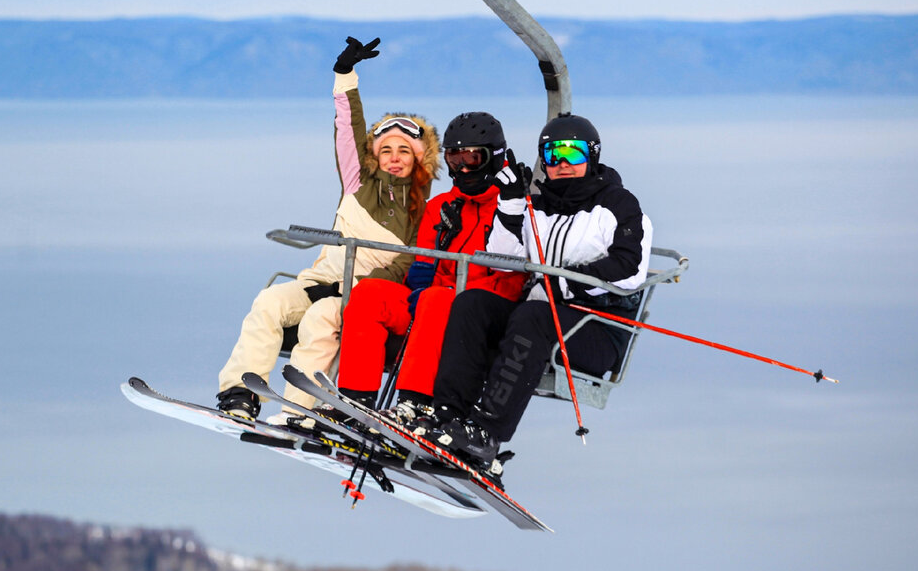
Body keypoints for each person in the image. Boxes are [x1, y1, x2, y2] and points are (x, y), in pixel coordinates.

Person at [414, 113, 652, 479]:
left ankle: (486, 433)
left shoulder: (618, 205)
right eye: (551, 155)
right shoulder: (538, 205)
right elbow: (505, 261)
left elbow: (629, 268)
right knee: (471, 303)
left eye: (572, 154)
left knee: (531, 316)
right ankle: (449, 415)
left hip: (596, 328)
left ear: (592, 156)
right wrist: (510, 205)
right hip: (544, 320)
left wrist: (566, 284)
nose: (561, 164)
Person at [215, 36, 441, 420]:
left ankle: (298, 410)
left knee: (323, 320)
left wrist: (348, 287)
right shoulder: (357, 183)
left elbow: (407, 265)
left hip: (360, 294)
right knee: (269, 302)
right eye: (386, 149)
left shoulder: (425, 209)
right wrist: (345, 76)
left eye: (404, 151)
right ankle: (240, 393)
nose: (394, 158)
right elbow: (347, 128)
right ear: (375, 155)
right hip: (319, 278)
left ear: (420, 158)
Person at [331, 112, 528, 423]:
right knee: (370, 294)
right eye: (454, 159)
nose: (462, 168)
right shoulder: (441, 207)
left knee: (436, 299)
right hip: (430, 304)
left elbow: (512, 282)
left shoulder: (515, 208)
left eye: (472, 159)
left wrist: (444, 293)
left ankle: (415, 403)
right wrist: (421, 289)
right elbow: (423, 264)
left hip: (474, 313)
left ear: (494, 159)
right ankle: (356, 398)